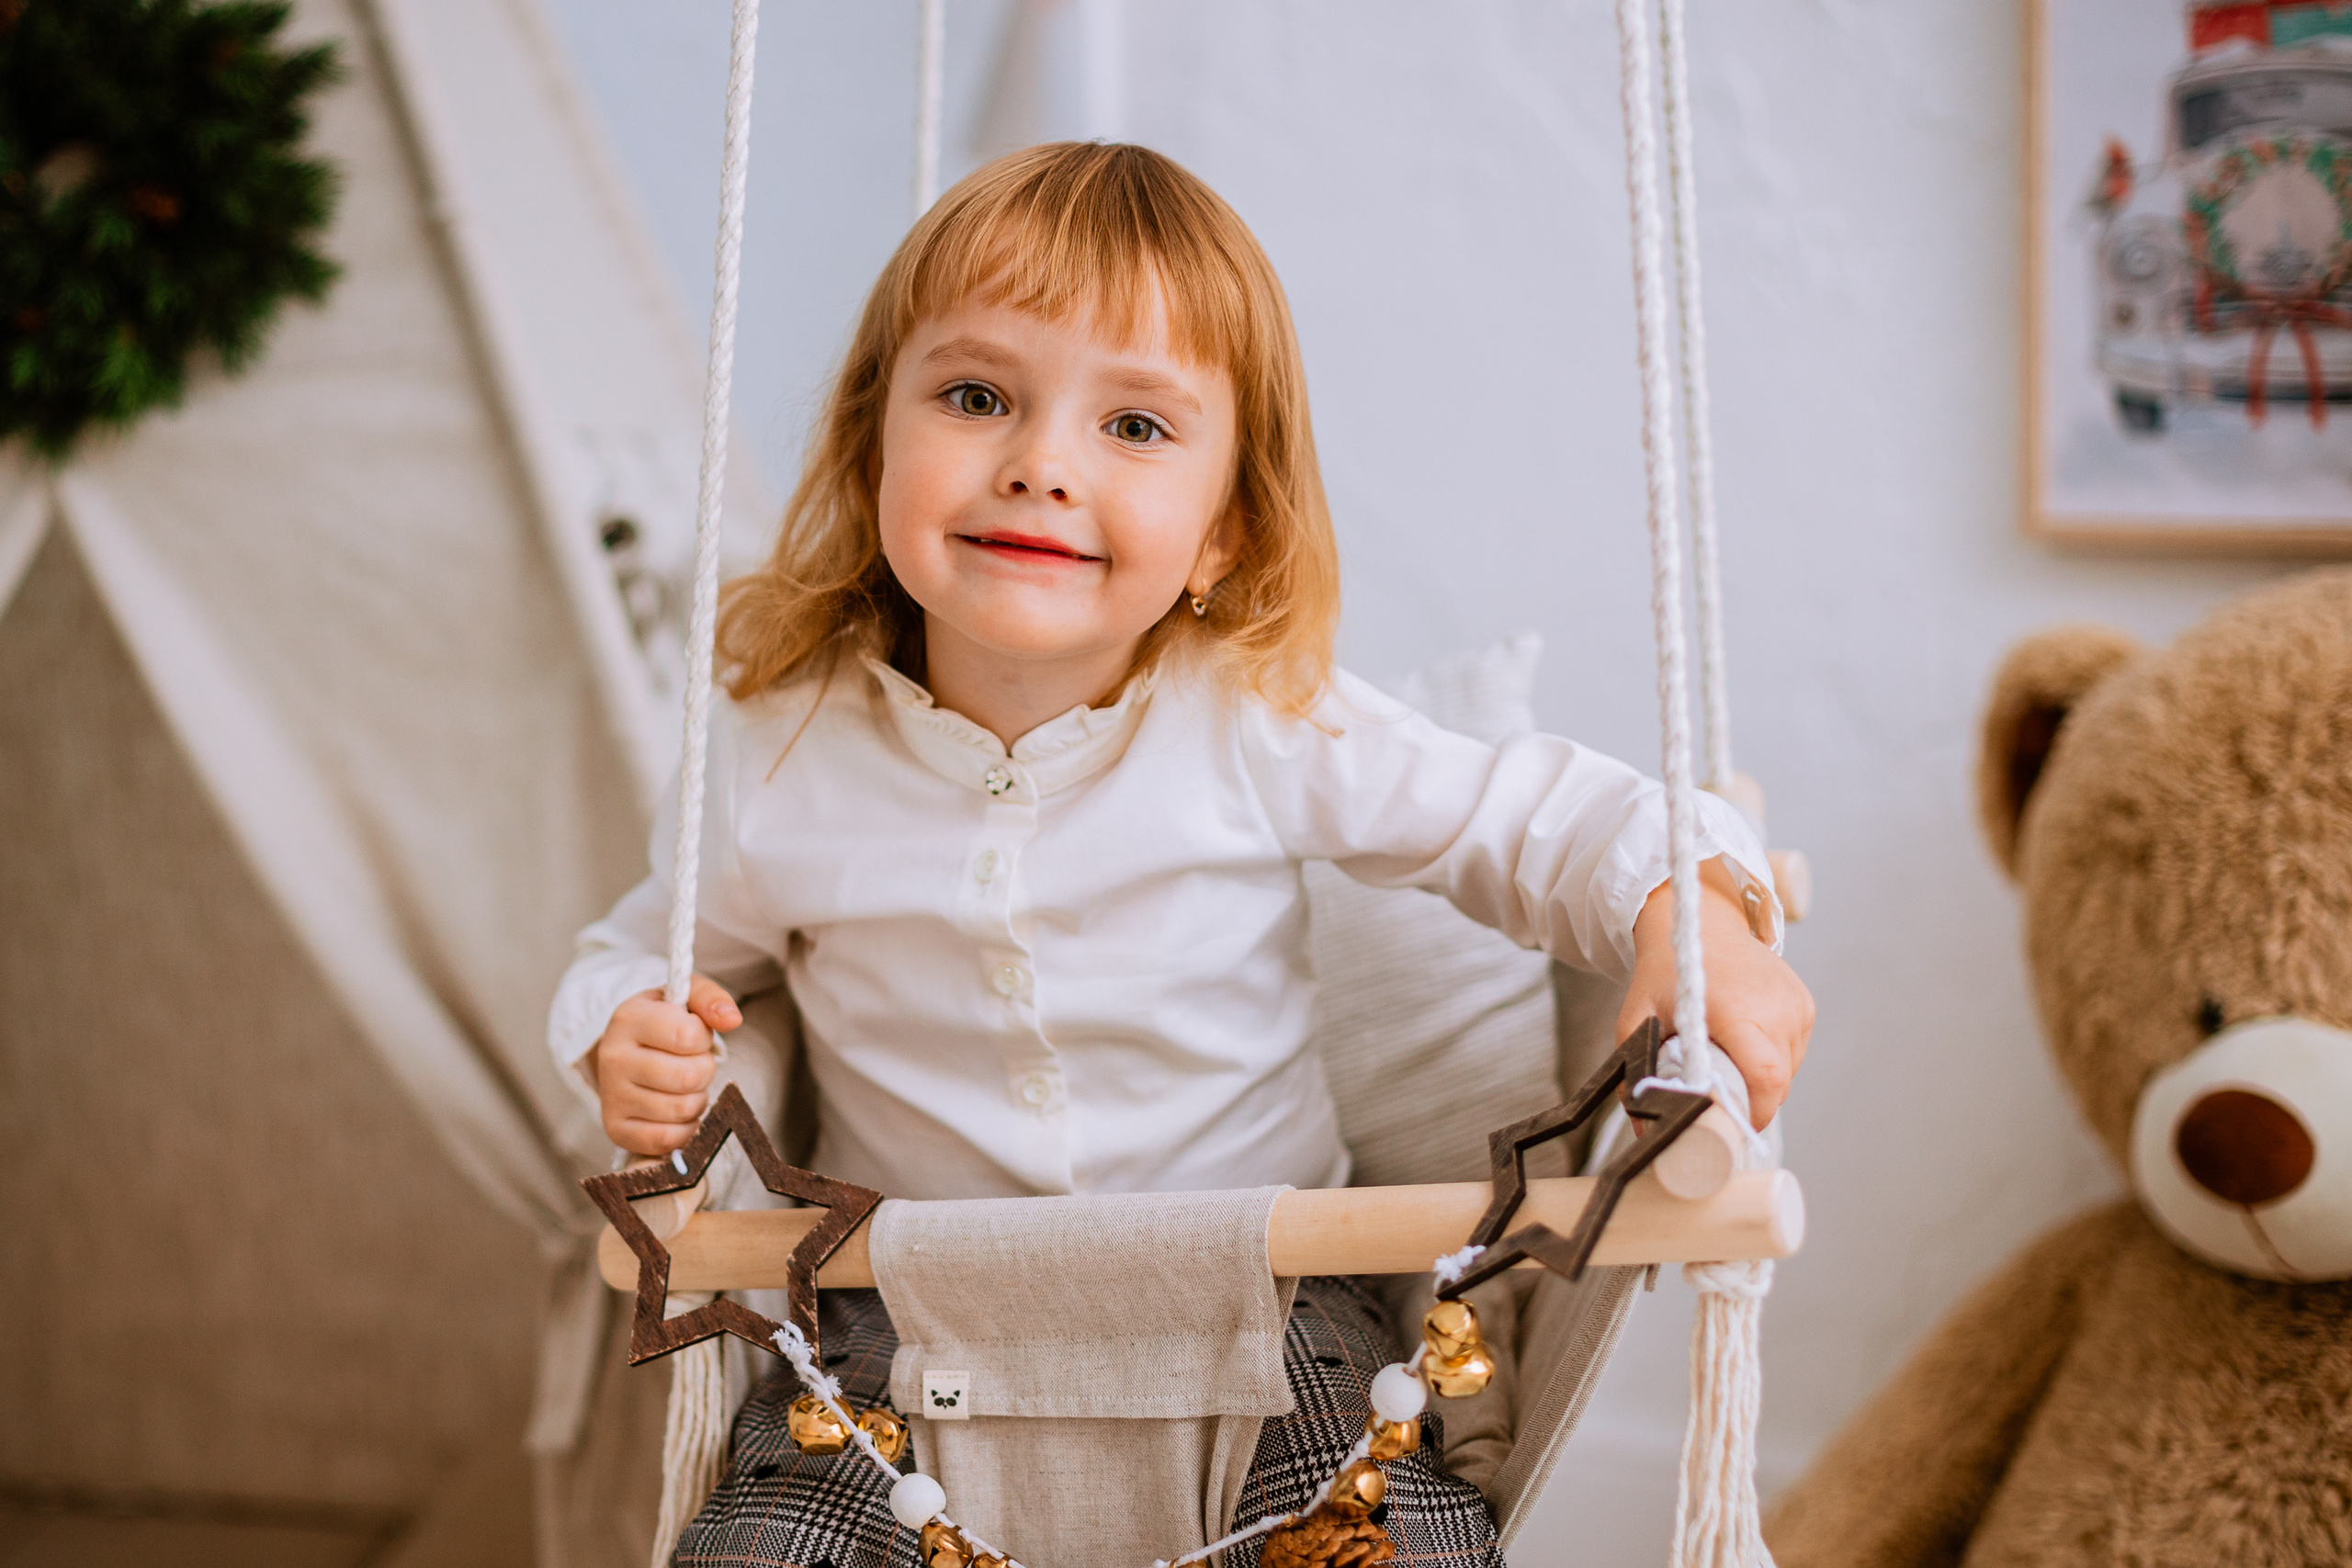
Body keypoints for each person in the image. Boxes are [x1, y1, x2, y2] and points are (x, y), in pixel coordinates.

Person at [548, 141, 1812, 1568]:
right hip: (897, 1331)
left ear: (1226, 531)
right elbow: (637, 956)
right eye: (976, 398)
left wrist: (1691, 904)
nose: (1039, 464)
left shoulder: (1257, 718)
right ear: (869, 448)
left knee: (1406, 1543)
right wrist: (624, 1041)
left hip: (1262, 1307)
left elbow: (1539, 818)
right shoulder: (777, 756)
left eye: (1135, 428)